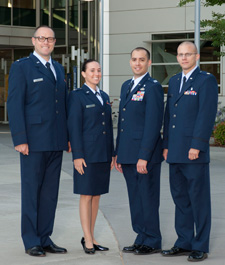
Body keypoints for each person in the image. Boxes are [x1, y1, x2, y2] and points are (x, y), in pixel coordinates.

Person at [7, 25, 69, 257]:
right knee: (32, 191)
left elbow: (62, 106)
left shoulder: (59, 68)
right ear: (34, 41)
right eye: (42, 38)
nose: (46, 42)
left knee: (50, 193)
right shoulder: (21, 67)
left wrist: (68, 137)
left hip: (55, 141)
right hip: (32, 142)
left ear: (54, 42)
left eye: (50, 39)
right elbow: (14, 105)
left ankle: (44, 237)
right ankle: (31, 240)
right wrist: (20, 139)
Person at [161, 41, 218, 262]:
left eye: (188, 54)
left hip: (194, 152)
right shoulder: (174, 82)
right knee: (180, 199)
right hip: (174, 151)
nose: (184, 58)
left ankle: (200, 245)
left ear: (197, 57)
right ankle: (183, 241)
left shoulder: (206, 81)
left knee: (198, 200)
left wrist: (198, 144)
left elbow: (206, 114)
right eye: (180, 54)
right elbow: (169, 115)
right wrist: (165, 145)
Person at [115, 47, 164, 255]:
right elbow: (123, 123)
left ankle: (152, 240)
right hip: (127, 154)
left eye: (141, 60)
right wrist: (118, 153)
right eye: (134, 59)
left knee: (148, 197)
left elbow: (153, 124)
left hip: (145, 156)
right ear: (130, 62)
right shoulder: (127, 85)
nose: (137, 63)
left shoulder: (152, 87)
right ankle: (141, 236)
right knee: (135, 198)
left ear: (149, 63)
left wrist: (143, 156)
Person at [67, 59, 114, 254]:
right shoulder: (77, 96)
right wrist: (77, 155)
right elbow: (74, 127)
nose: (96, 73)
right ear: (84, 74)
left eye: (99, 70)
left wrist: (112, 154)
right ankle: (87, 238)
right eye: (92, 70)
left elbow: (109, 128)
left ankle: (92, 236)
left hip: (103, 154)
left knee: (96, 196)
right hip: (86, 155)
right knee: (86, 195)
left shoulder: (103, 95)